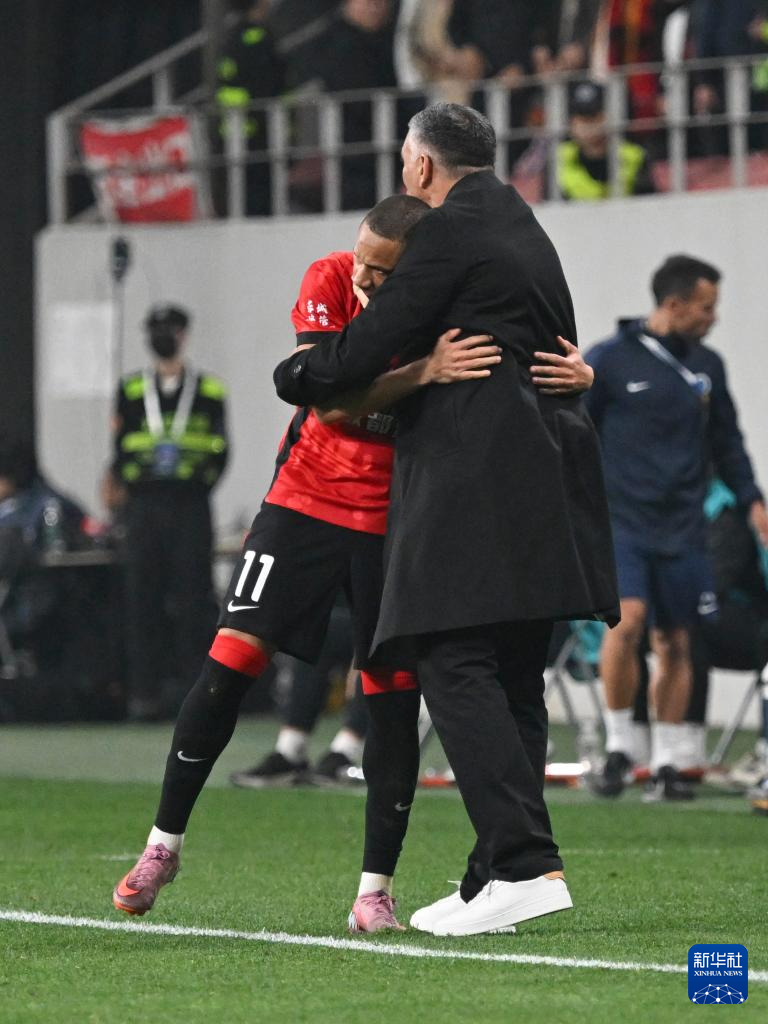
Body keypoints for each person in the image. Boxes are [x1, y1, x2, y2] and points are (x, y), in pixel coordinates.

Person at [111, 193, 592, 927]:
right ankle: (162, 845)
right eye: (362, 259)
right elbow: (329, 402)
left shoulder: (444, 302)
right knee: (230, 662)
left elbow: (513, 365)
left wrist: (582, 376)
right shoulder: (332, 275)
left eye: (381, 271)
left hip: (395, 524)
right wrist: (421, 373)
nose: (362, 278)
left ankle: (374, 892)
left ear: (417, 270)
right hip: (302, 503)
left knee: (389, 703)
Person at [274, 102, 619, 937]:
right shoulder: (524, 224)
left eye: (405, 160)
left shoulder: (446, 231)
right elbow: (560, 350)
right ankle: (492, 872)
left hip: (477, 473)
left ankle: (524, 864)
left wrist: (296, 375)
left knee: (448, 652)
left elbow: (368, 347)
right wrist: (582, 378)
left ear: (421, 166)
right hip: (546, 470)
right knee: (514, 671)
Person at [584, 255, 768, 801]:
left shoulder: (707, 366)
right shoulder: (609, 360)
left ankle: (667, 760)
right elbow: (573, 432)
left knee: (678, 638)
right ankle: (620, 747)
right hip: (622, 519)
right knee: (628, 622)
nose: (713, 318)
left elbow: (728, 441)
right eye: (706, 308)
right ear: (674, 304)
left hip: (684, 524)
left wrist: (753, 500)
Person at [112, 304, 228, 721]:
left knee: (194, 600)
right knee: (142, 599)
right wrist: (135, 485)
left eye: (170, 329)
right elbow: (120, 449)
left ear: (183, 334)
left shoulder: (209, 390)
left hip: (190, 506)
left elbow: (220, 449)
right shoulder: (130, 390)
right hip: (144, 507)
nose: (163, 337)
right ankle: (144, 695)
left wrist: (195, 484)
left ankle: (195, 694)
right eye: (156, 330)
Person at [216, 1, 285, 216]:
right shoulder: (256, 38)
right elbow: (268, 84)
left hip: (237, 130)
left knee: (243, 191)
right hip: (257, 130)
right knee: (259, 195)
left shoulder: (233, 35)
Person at [555, 80, 656, 201]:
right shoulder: (558, 158)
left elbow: (650, 204)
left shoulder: (635, 156)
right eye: (581, 117)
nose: (588, 124)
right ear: (571, 124)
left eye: (594, 115)